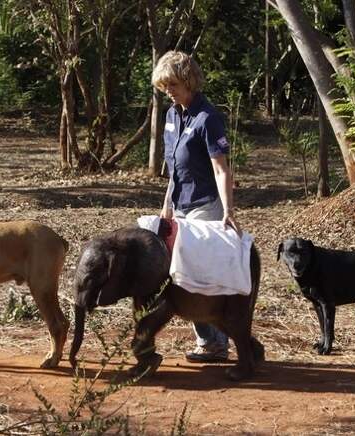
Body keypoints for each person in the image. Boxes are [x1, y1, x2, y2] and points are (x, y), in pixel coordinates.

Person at [151, 50, 241, 363]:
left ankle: (217, 341)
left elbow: (221, 169)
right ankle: (211, 339)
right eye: (163, 86)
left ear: (189, 81)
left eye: (173, 84)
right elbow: (174, 169)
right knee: (176, 274)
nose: (168, 91)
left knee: (196, 275)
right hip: (179, 205)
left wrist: (228, 211)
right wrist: (166, 206)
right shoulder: (172, 115)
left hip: (205, 206)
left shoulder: (208, 118)